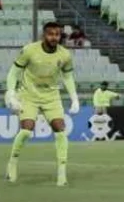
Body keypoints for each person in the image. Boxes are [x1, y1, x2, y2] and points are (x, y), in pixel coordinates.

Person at [5, 22, 78, 186]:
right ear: (44, 35)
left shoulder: (65, 55)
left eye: (57, 34)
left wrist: (74, 98)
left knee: (60, 129)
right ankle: (13, 163)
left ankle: (62, 174)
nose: (54, 37)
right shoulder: (29, 50)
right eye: (51, 34)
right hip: (28, 94)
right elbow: (13, 72)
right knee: (26, 130)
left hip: (51, 96)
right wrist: (11, 93)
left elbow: (67, 77)